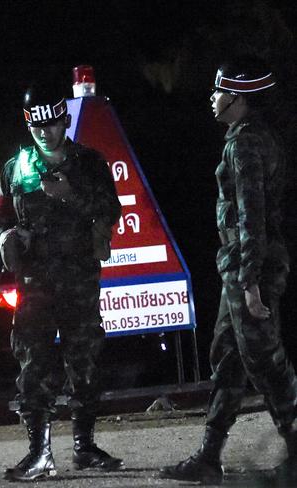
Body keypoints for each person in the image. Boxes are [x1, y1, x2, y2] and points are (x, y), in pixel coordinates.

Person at [161, 57, 297, 485]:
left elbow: (251, 215)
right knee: (228, 358)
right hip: (239, 269)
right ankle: (209, 456)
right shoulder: (251, 137)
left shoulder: (245, 143)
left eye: (219, 91)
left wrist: (252, 283)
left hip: (248, 269)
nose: (213, 97)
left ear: (237, 98)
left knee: (266, 361)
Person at [0, 80, 122, 481]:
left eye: (51, 124)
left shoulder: (89, 163)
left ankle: (85, 445)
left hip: (78, 279)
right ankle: (39, 452)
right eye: (36, 126)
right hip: (35, 282)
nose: (45, 133)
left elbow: (109, 209)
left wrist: (69, 195)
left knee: (85, 362)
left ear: (64, 120)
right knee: (33, 364)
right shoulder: (17, 168)